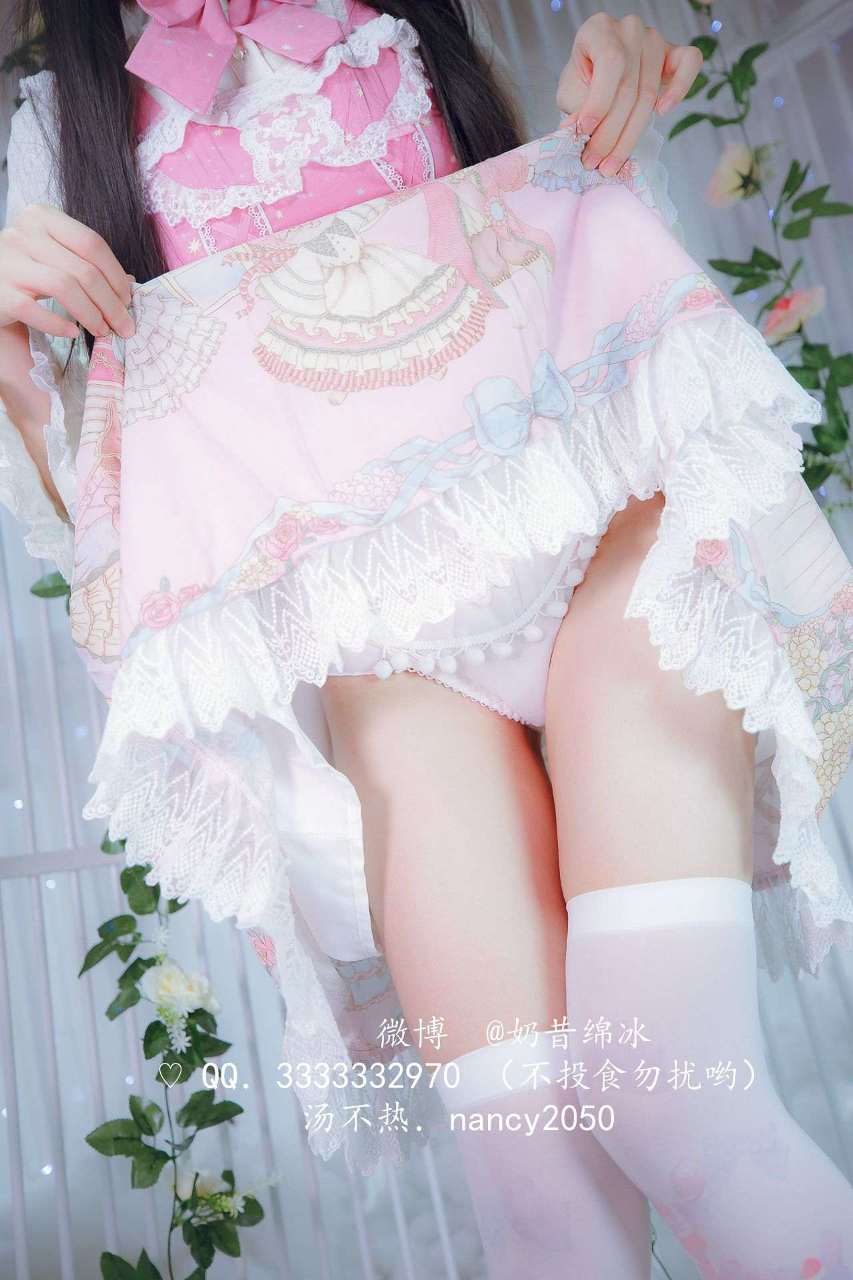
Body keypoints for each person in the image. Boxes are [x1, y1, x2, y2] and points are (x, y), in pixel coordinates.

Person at [1, 3, 852, 1277]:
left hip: (607, 546)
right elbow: (91, 515)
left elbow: (593, 236)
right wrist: (11, 363)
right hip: (389, 667)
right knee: (543, 1203)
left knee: (676, 1095)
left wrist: (627, 75)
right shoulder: (56, 129)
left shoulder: (417, 16)